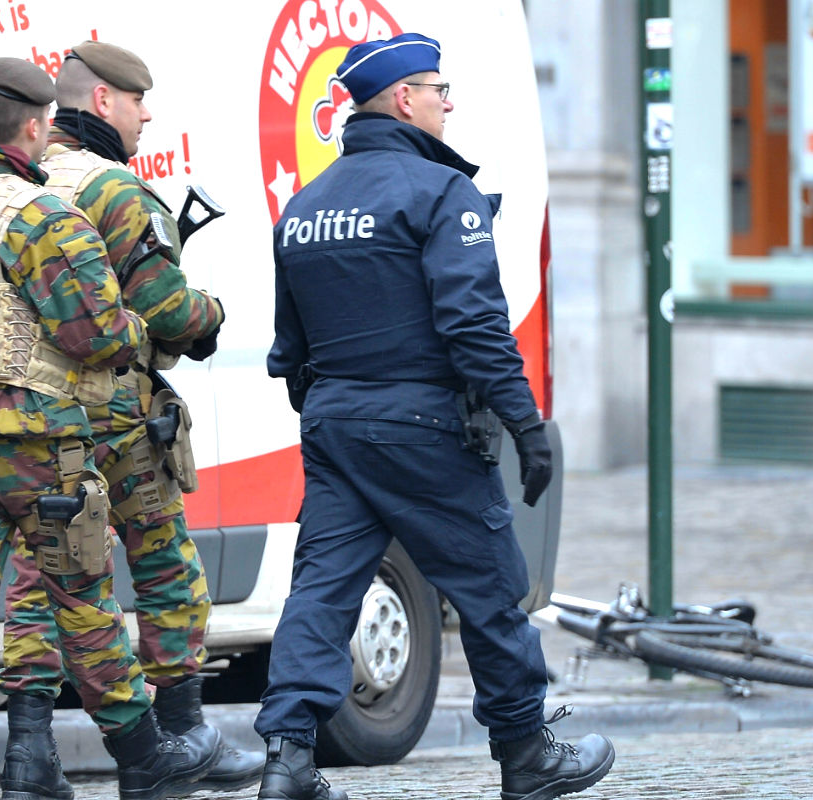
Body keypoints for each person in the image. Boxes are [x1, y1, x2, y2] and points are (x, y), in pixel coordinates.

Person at [254, 33, 616, 800]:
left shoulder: (305, 206)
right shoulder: (440, 194)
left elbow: (287, 348)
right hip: (422, 424)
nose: (449, 103)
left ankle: (287, 760)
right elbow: (474, 327)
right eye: (437, 89)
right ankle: (527, 753)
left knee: (321, 592)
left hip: (334, 423)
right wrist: (522, 423)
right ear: (402, 99)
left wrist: (333, 412)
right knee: (490, 586)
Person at [0, 57, 219, 800]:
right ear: (34, 127)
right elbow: (95, 335)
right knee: (85, 599)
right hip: (40, 447)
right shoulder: (40, 218)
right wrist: (136, 330)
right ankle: (142, 758)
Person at [20, 40, 263, 791]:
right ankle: (183, 730)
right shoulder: (116, 190)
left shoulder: (14, 180)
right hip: (112, 415)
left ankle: (29, 750)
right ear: (102, 103)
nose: (146, 113)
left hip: (24, 420)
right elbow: (165, 308)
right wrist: (211, 314)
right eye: (136, 101)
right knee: (163, 562)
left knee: (40, 577)